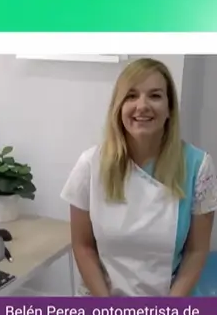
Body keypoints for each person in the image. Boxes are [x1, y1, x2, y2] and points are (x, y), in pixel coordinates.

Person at [60, 57, 217, 297]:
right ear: (118, 107)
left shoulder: (198, 167)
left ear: (169, 108)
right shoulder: (90, 165)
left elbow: (196, 252)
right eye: (131, 96)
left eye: (155, 96)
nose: (142, 106)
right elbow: (83, 246)